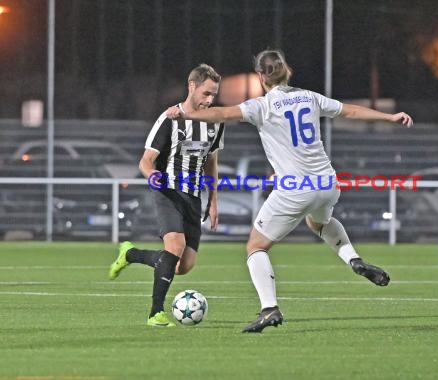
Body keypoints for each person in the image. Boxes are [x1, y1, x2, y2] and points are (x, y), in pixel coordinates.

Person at [165, 49, 413, 333]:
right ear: (288, 71)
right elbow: (352, 110)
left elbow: (223, 113)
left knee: (255, 247)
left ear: (260, 77)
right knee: (319, 222)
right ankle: (353, 259)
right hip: (327, 182)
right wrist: (390, 117)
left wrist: (186, 113)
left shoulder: (262, 106)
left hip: (295, 188)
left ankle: (269, 309)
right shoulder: (311, 97)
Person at [108, 64, 225, 327]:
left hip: (193, 197)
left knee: (183, 266)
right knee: (175, 246)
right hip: (168, 191)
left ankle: (131, 254)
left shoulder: (215, 123)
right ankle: (155, 313)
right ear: (192, 86)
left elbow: (211, 161)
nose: (210, 100)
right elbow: (146, 160)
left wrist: (213, 198)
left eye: (213, 95)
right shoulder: (170, 119)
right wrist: (152, 176)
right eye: (206, 93)